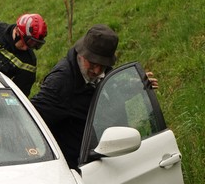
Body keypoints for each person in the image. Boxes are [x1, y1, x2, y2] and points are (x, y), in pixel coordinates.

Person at [30, 24, 157, 167]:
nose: (97, 71)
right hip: (79, 166)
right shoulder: (61, 83)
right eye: (92, 63)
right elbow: (30, 118)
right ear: (82, 54)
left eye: (102, 64)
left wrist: (133, 86)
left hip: (110, 154)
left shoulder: (102, 72)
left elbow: (106, 93)